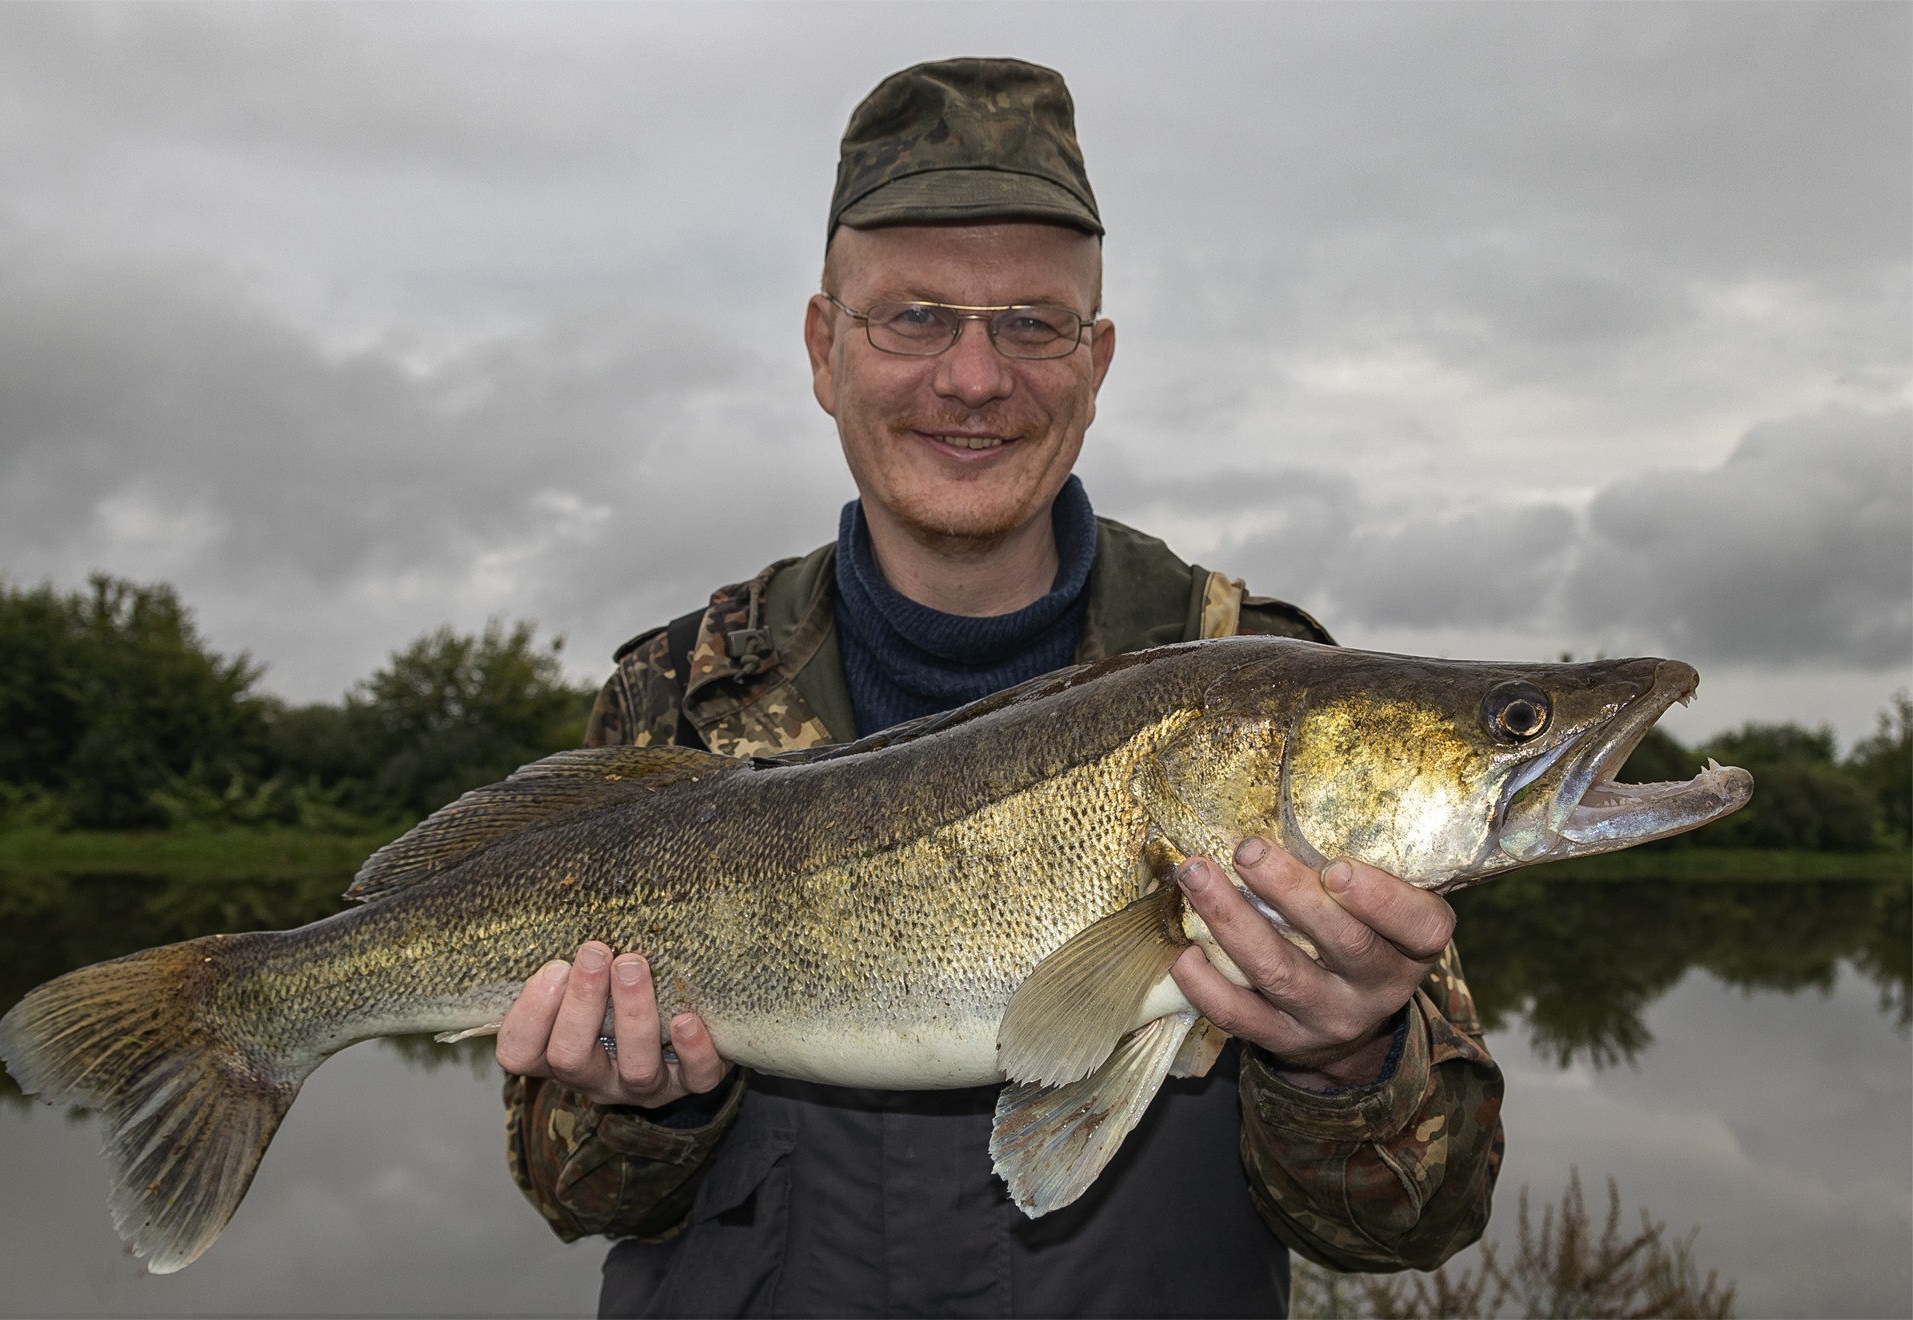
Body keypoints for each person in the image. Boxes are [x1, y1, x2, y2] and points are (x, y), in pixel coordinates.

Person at [497, 57, 1503, 1317]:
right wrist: (645, 1107)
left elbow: (1422, 1219)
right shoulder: (678, 699)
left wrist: (1348, 1059)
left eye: (1033, 323)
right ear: (824, 349)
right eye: (914, 316)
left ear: (1098, 360)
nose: (974, 378)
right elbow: (574, 1196)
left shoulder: (1276, 695)